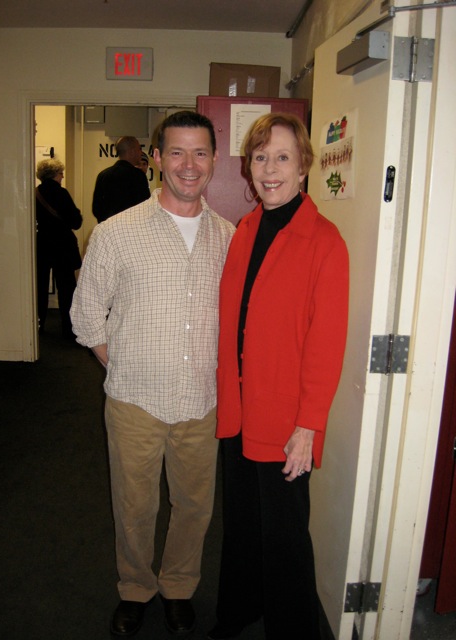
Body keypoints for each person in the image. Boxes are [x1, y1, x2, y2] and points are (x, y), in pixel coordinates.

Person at [70, 111, 235, 638]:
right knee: (134, 507)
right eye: (177, 152)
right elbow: (86, 316)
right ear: (156, 159)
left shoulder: (229, 238)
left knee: (195, 507)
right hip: (134, 402)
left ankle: (179, 587)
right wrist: (122, 366)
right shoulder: (116, 233)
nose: (189, 165)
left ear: (214, 160)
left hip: (201, 402)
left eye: (200, 153)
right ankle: (136, 588)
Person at [208, 113, 349, 640]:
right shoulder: (245, 230)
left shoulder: (324, 241)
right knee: (242, 525)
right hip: (241, 410)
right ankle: (239, 612)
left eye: (282, 158)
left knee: (286, 538)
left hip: (287, 423)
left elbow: (326, 345)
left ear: (304, 165)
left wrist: (308, 426)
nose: (270, 170)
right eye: (261, 157)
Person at [35, 158, 82, 338]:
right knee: (66, 288)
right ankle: (68, 328)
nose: (62, 176)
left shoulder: (35, 193)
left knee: (40, 286)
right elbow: (75, 221)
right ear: (55, 174)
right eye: (61, 173)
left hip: (42, 244)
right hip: (62, 245)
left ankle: (38, 325)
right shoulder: (61, 193)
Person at [92, 136, 150, 223]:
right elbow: (144, 206)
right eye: (139, 149)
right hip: (131, 227)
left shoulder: (103, 175)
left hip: (108, 227)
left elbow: (96, 209)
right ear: (132, 152)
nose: (141, 152)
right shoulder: (138, 176)